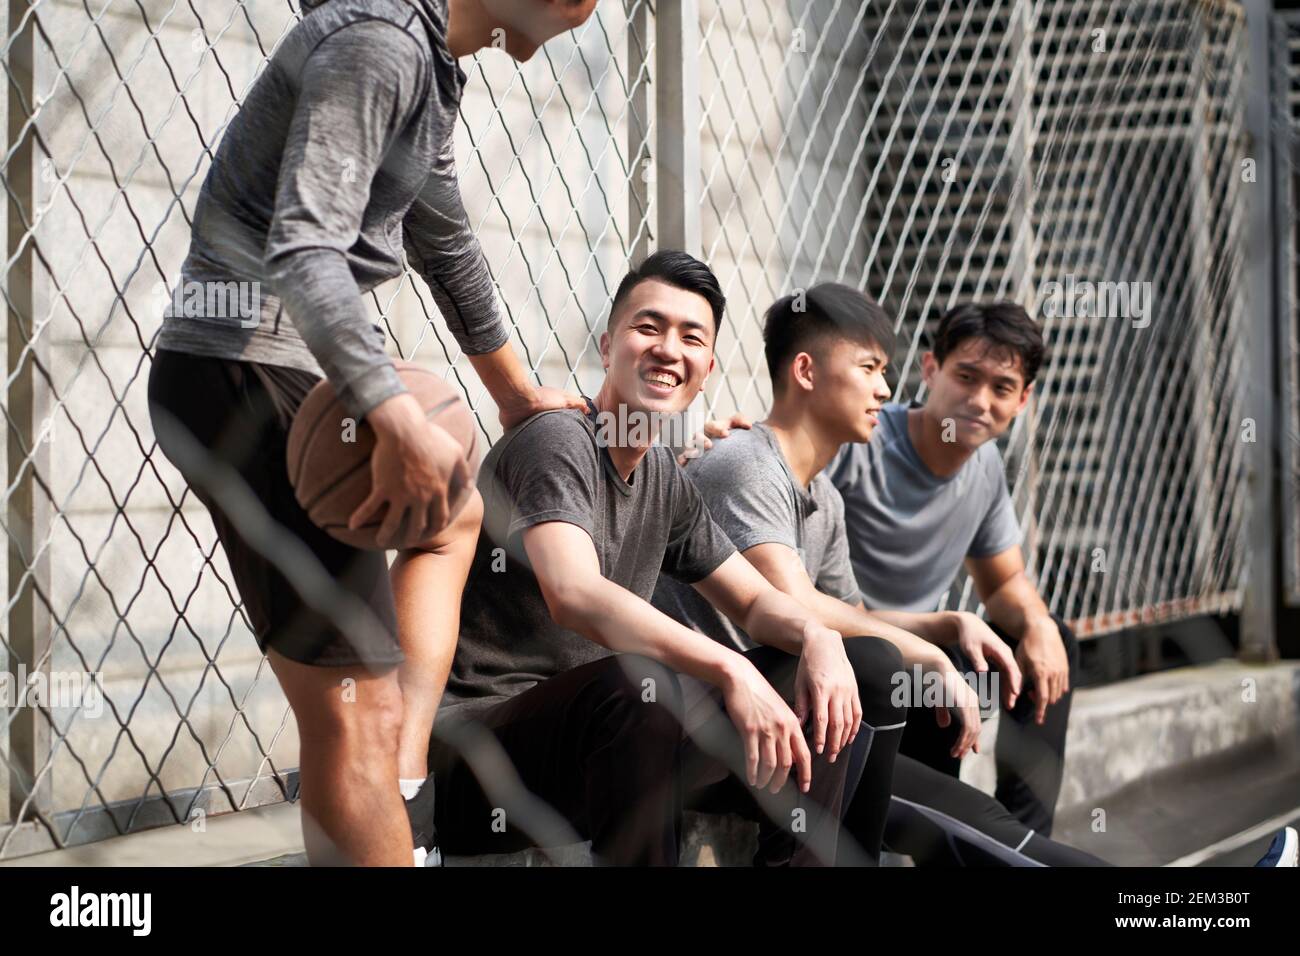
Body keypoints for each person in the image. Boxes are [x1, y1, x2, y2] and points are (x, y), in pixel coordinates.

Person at [147, 0, 599, 866]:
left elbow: (445, 239)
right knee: (352, 709)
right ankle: (388, 786)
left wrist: (511, 395)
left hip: (286, 374)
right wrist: (390, 409)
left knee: (453, 517)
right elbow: (305, 247)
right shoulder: (380, 43)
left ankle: (402, 779)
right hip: (246, 371)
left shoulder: (430, 64)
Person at [670, 283, 1297, 868]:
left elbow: (860, 614)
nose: (884, 390)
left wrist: (954, 623)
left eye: (884, 372)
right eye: (869, 370)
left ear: (1023, 399)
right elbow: (798, 604)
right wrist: (930, 652)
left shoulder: (822, 498)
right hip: (754, 724)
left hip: (827, 710)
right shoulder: (761, 461)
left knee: (989, 819)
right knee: (969, 826)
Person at [398, 251, 965, 865]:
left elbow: (751, 598)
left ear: (707, 369)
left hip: (618, 751)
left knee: (853, 663)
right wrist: (732, 669)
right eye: (649, 328)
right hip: (484, 760)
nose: (669, 349)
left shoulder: (664, 477)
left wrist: (817, 637)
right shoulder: (557, 439)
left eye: (690, 338)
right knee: (639, 683)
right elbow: (574, 592)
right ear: (608, 342)